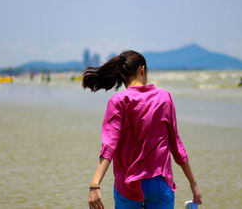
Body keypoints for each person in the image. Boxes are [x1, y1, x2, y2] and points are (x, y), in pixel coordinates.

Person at [82, 50, 202, 209]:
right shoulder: (164, 97)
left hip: (127, 184)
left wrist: (95, 184)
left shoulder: (118, 101)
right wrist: (193, 184)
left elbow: (109, 146)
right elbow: (176, 145)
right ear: (142, 70)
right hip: (160, 183)